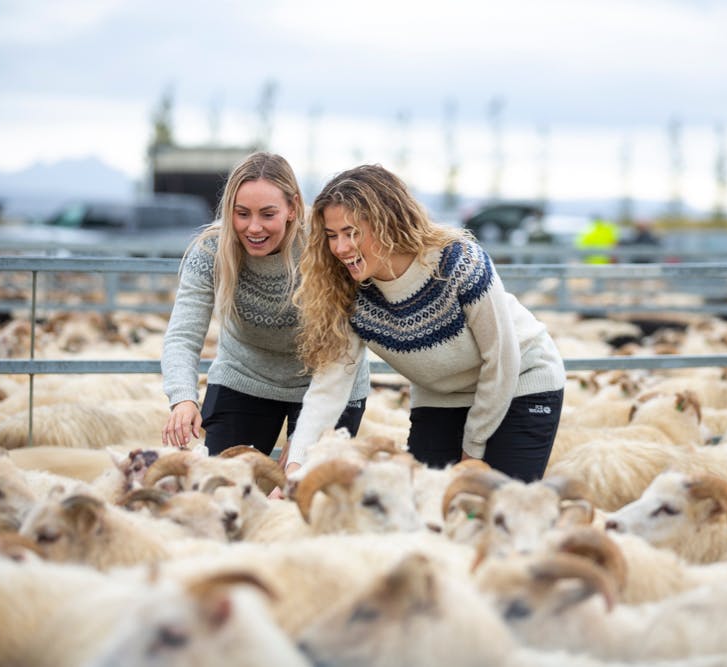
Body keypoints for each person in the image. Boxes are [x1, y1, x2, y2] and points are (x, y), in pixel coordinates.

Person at [287, 164, 565, 482]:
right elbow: (328, 388)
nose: (340, 248)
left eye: (352, 233)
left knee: (499, 505)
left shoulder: (457, 262)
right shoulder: (345, 292)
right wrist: (296, 468)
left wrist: (471, 453)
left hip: (520, 381)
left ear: (386, 222)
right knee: (425, 504)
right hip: (442, 395)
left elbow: (501, 360)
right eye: (332, 236)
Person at [160, 152, 371, 459]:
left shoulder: (324, 245)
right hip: (245, 378)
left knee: (301, 493)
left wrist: (301, 449)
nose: (254, 228)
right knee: (227, 489)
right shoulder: (211, 252)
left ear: (292, 208)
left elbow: (345, 340)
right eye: (242, 213)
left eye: (267, 214)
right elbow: (182, 335)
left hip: (327, 381)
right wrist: (182, 398)